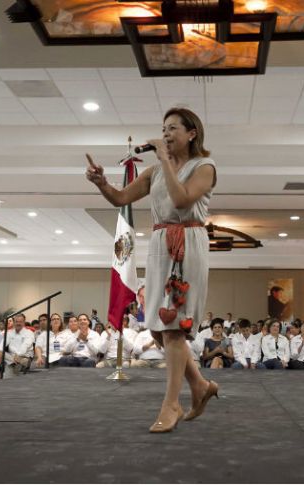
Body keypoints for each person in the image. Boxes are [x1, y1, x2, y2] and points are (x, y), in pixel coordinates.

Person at [86, 107, 218, 433]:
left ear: (192, 134)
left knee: (174, 327)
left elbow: (182, 199)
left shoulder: (204, 167)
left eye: (173, 128)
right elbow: (120, 198)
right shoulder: (155, 172)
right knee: (159, 328)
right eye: (164, 128)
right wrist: (102, 182)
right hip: (160, 243)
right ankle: (200, 386)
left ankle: (172, 403)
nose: (167, 134)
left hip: (187, 240)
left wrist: (163, 159)